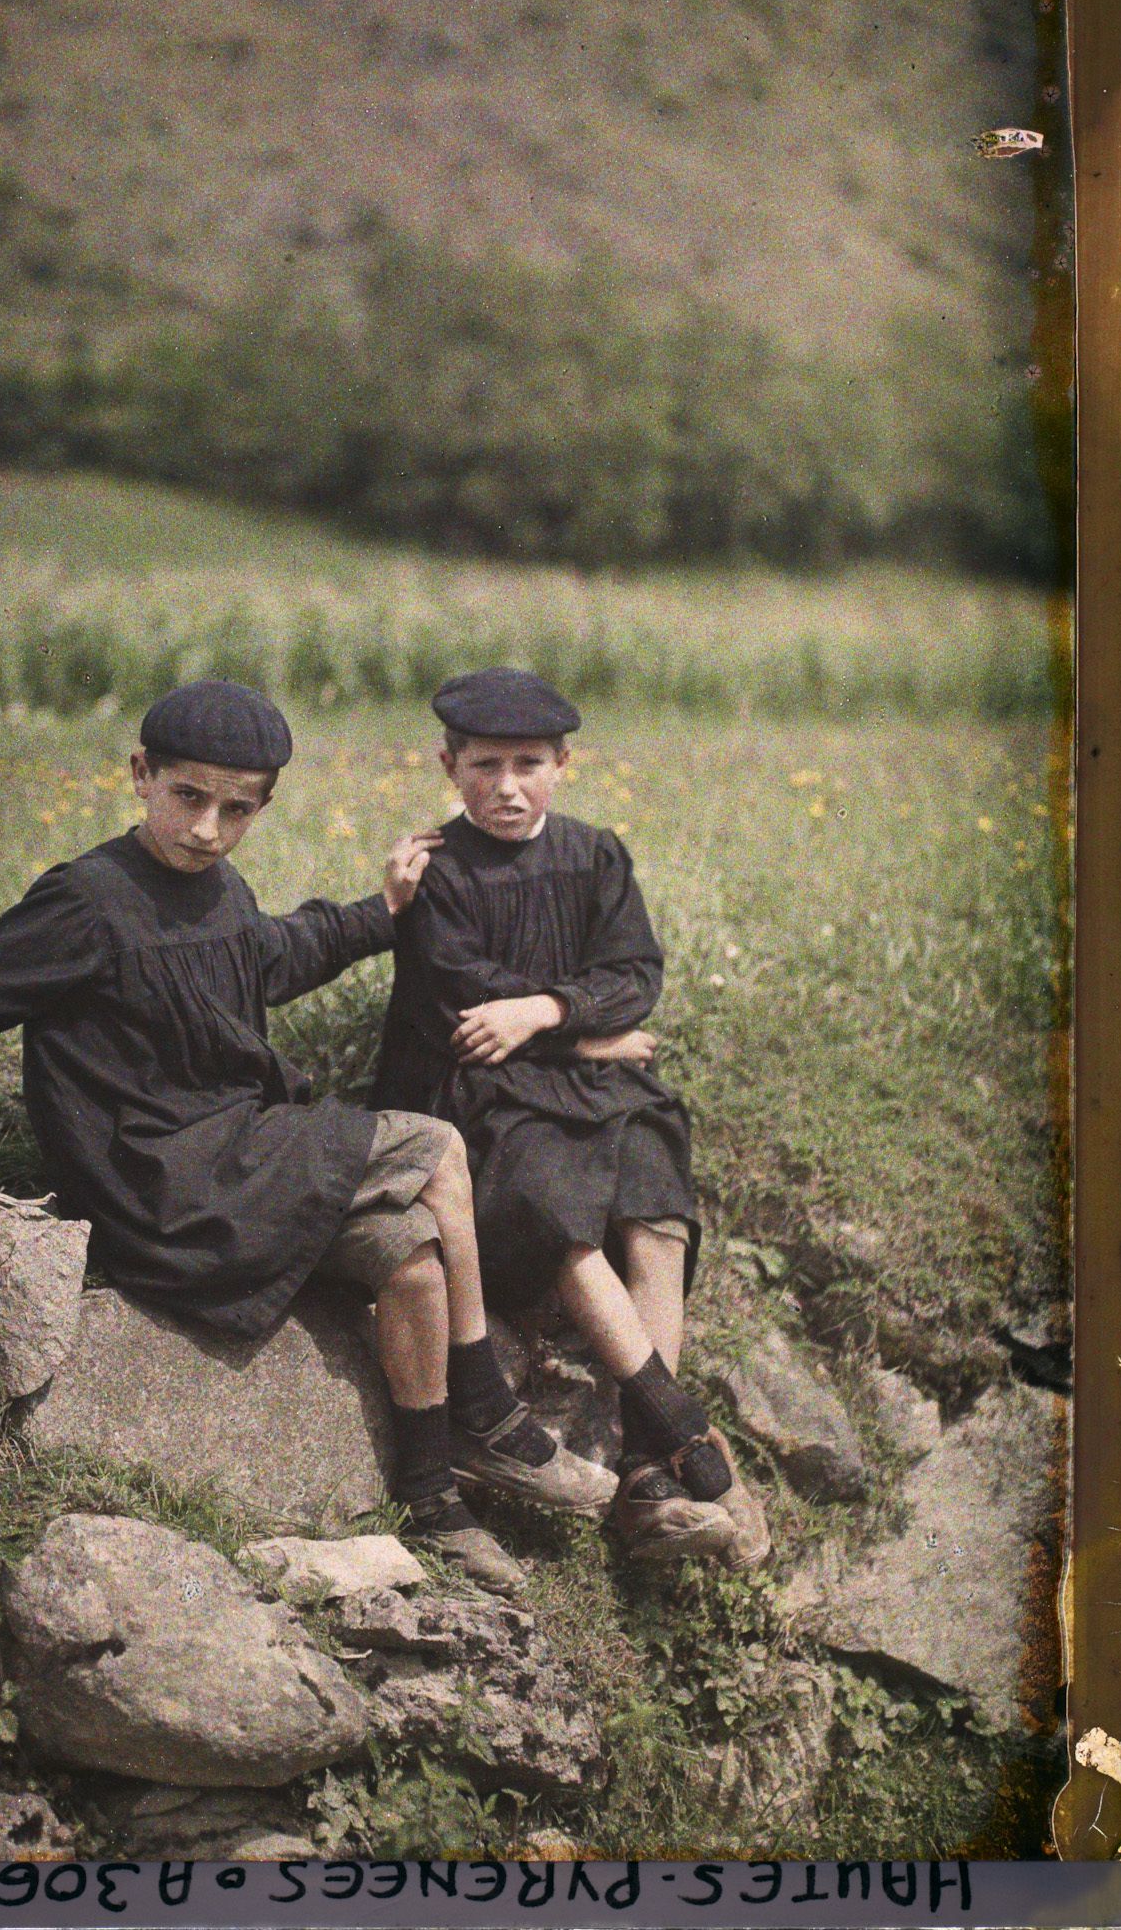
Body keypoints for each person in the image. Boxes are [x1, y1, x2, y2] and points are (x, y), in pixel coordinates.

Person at [0, 678, 614, 1591]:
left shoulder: (219, 888)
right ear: (140, 775)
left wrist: (381, 912)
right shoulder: (87, 899)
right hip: (157, 1177)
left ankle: (433, 1497)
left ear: (261, 807)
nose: (207, 827)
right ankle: (486, 1407)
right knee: (434, 1144)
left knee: (409, 1256)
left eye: (236, 810)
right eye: (188, 797)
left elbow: (272, 959)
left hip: (230, 1160)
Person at [371, 667, 770, 1569]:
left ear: (561, 763)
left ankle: (645, 1473)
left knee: (654, 1214)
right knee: (564, 1217)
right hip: (479, 1092)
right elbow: (466, 1015)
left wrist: (547, 1015)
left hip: (566, 1073)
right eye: (482, 766)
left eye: (526, 764)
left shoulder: (595, 854)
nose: (504, 788)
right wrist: (589, 1039)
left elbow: (635, 975)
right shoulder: (437, 872)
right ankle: (678, 1425)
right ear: (447, 764)